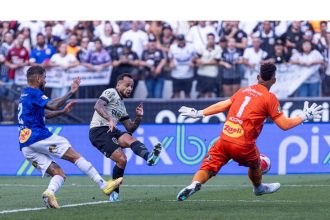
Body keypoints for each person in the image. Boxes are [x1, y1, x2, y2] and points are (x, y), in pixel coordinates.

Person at [176, 63, 323, 201]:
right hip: (243, 145)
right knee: (256, 164)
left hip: (224, 139)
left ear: (258, 77)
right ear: (274, 80)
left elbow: (223, 105)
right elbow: (284, 125)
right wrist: (304, 116)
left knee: (208, 167)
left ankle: (195, 183)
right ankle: (258, 188)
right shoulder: (269, 98)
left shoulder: (243, 91)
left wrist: (199, 113)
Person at [18, 66, 122, 209]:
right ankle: (104, 185)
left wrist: (63, 111)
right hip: (38, 136)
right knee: (75, 156)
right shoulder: (34, 93)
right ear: (38, 78)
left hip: (25, 144)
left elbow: (44, 115)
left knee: (59, 173)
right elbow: (52, 105)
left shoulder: (25, 94)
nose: (46, 81)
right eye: (45, 78)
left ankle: (49, 193)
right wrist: (70, 92)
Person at [89, 73, 162, 202]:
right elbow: (98, 106)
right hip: (98, 131)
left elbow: (130, 128)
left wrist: (139, 117)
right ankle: (114, 193)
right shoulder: (110, 92)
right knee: (122, 159)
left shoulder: (121, 106)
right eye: (127, 85)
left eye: (132, 86)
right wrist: (109, 118)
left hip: (112, 130)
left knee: (129, 138)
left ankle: (149, 157)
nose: (130, 88)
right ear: (118, 84)